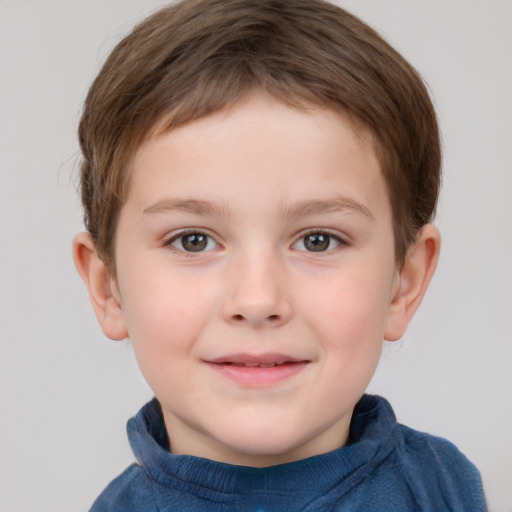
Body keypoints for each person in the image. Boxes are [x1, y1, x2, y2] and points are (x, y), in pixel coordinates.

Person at [72, 0, 487, 510]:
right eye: (193, 240)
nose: (257, 299)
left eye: (318, 240)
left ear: (405, 279)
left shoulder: (453, 492)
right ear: (107, 286)